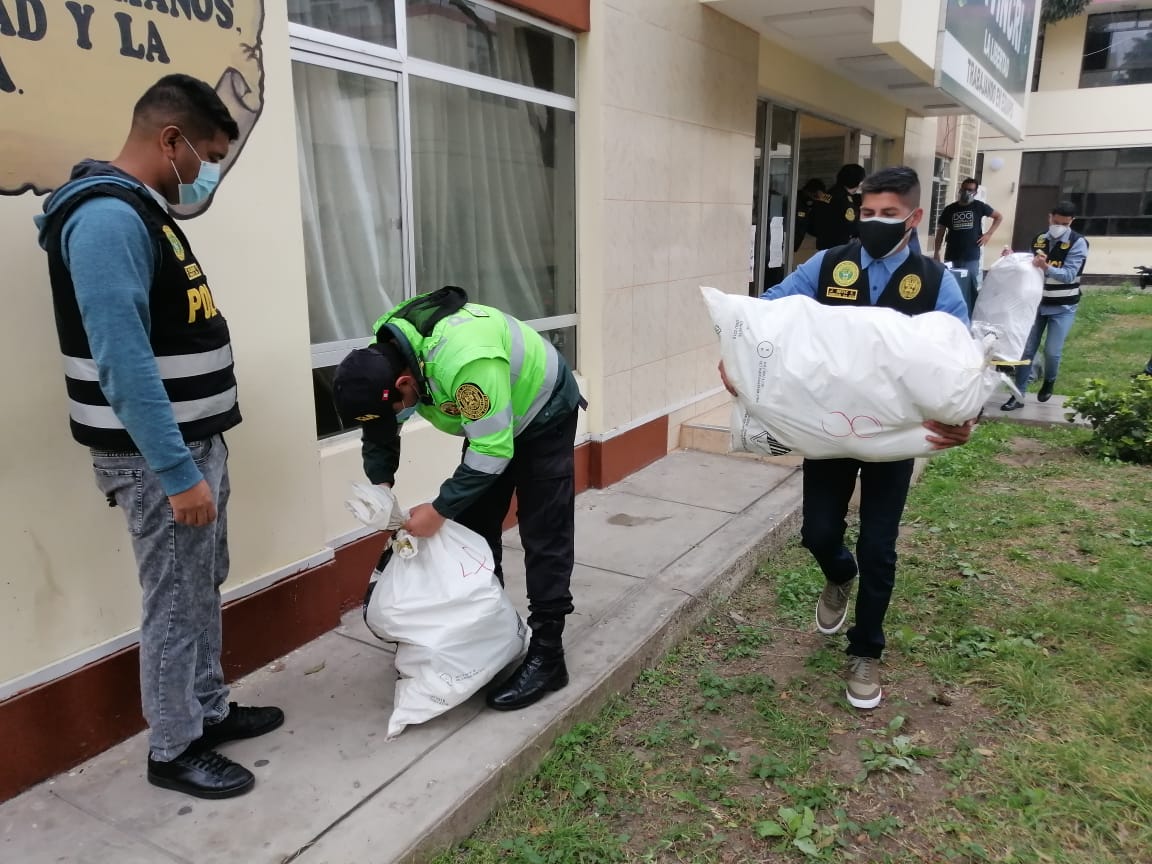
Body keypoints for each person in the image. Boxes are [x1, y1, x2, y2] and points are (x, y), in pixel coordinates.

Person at [33, 75, 283, 799]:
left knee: (199, 584)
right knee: (175, 601)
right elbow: (123, 359)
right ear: (169, 140)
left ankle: (205, 710)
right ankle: (174, 748)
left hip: (190, 446)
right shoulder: (109, 220)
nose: (206, 171)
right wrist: (178, 473)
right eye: (204, 154)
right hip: (158, 459)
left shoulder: (143, 213)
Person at [719, 166, 975, 709]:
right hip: (830, 429)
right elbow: (767, 313)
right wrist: (733, 358)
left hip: (893, 438)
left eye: (887, 214)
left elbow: (960, 359)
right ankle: (839, 574)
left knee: (879, 546)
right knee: (817, 532)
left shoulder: (935, 282)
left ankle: (866, 652)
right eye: (867, 212)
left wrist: (965, 417)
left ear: (914, 216)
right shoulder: (827, 265)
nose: (875, 222)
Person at [332, 287, 583, 711]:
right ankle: (492, 635)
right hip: (493, 422)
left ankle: (547, 653)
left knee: (544, 531)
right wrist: (381, 485)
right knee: (477, 527)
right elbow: (378, 426)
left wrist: (440, 508)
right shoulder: (386, 351)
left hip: (543, 410)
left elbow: (492, 451)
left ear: (405, 382)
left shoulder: (467, 363)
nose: (395, 417)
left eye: (398, 407)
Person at [1000, 201, 1089, 411]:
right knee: (1027, 350)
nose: (1059, 226)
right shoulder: (1040, 239)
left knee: (1052, 351)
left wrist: (1046, 267)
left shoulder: (1078, 243)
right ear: (1050, 217)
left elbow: (1068, 275)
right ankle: (1017, 395)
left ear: (1071, 222)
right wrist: (1012, 257)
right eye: (1056, 221)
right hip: (1036, 303)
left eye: (1064, 224)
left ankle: (1049, 380)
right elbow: (1029, 266)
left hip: (1063, 306)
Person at [934, 177, 1003, 314]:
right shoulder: (950, 209)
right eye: (964, 189)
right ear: (960, 189)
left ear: (975, 192)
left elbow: (998, 217)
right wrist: (937, 251)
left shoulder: (979, 206)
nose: (967, 192)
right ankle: (952, 314)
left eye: (970, 190)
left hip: (971, 256)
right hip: (952, 255)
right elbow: (941, 231)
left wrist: (988, 234)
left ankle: (971, 315)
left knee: (970, 287)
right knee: (951, 286)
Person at [809, 164, 867, 250]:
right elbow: (850, 226)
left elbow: (815, 215)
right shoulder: (845, 200)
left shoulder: (828, 194)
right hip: (839, 246)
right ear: (857, 181)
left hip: (824, 243)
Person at [794, 178, 826, 252]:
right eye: (816, 196)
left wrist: (823, 197)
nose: (818, 198)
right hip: (791, 240)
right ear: (809, 191)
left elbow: (833, 200)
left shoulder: (812, 201)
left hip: (800, 241)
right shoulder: (796, 199)